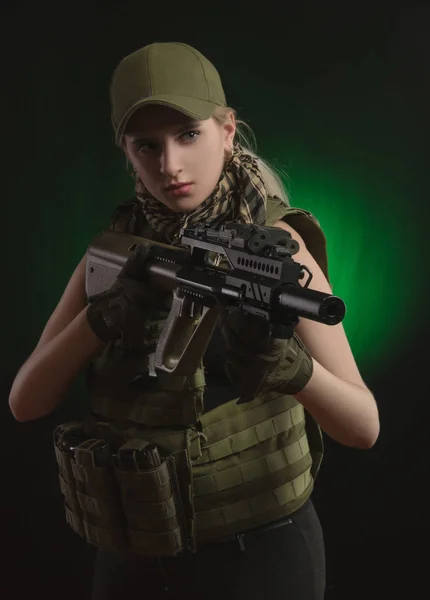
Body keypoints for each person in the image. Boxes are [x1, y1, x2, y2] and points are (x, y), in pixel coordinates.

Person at [9, 41, 379, 600]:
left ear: (227, 130)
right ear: (125, 152)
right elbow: (25, 402)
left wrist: (292, 371)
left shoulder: (277, 252)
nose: (170, 166)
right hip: (131, 550)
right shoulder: (116, 250)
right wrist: (101, 319)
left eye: (189, 136)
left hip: (260, 554)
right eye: (147, 146)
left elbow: (363, 426)